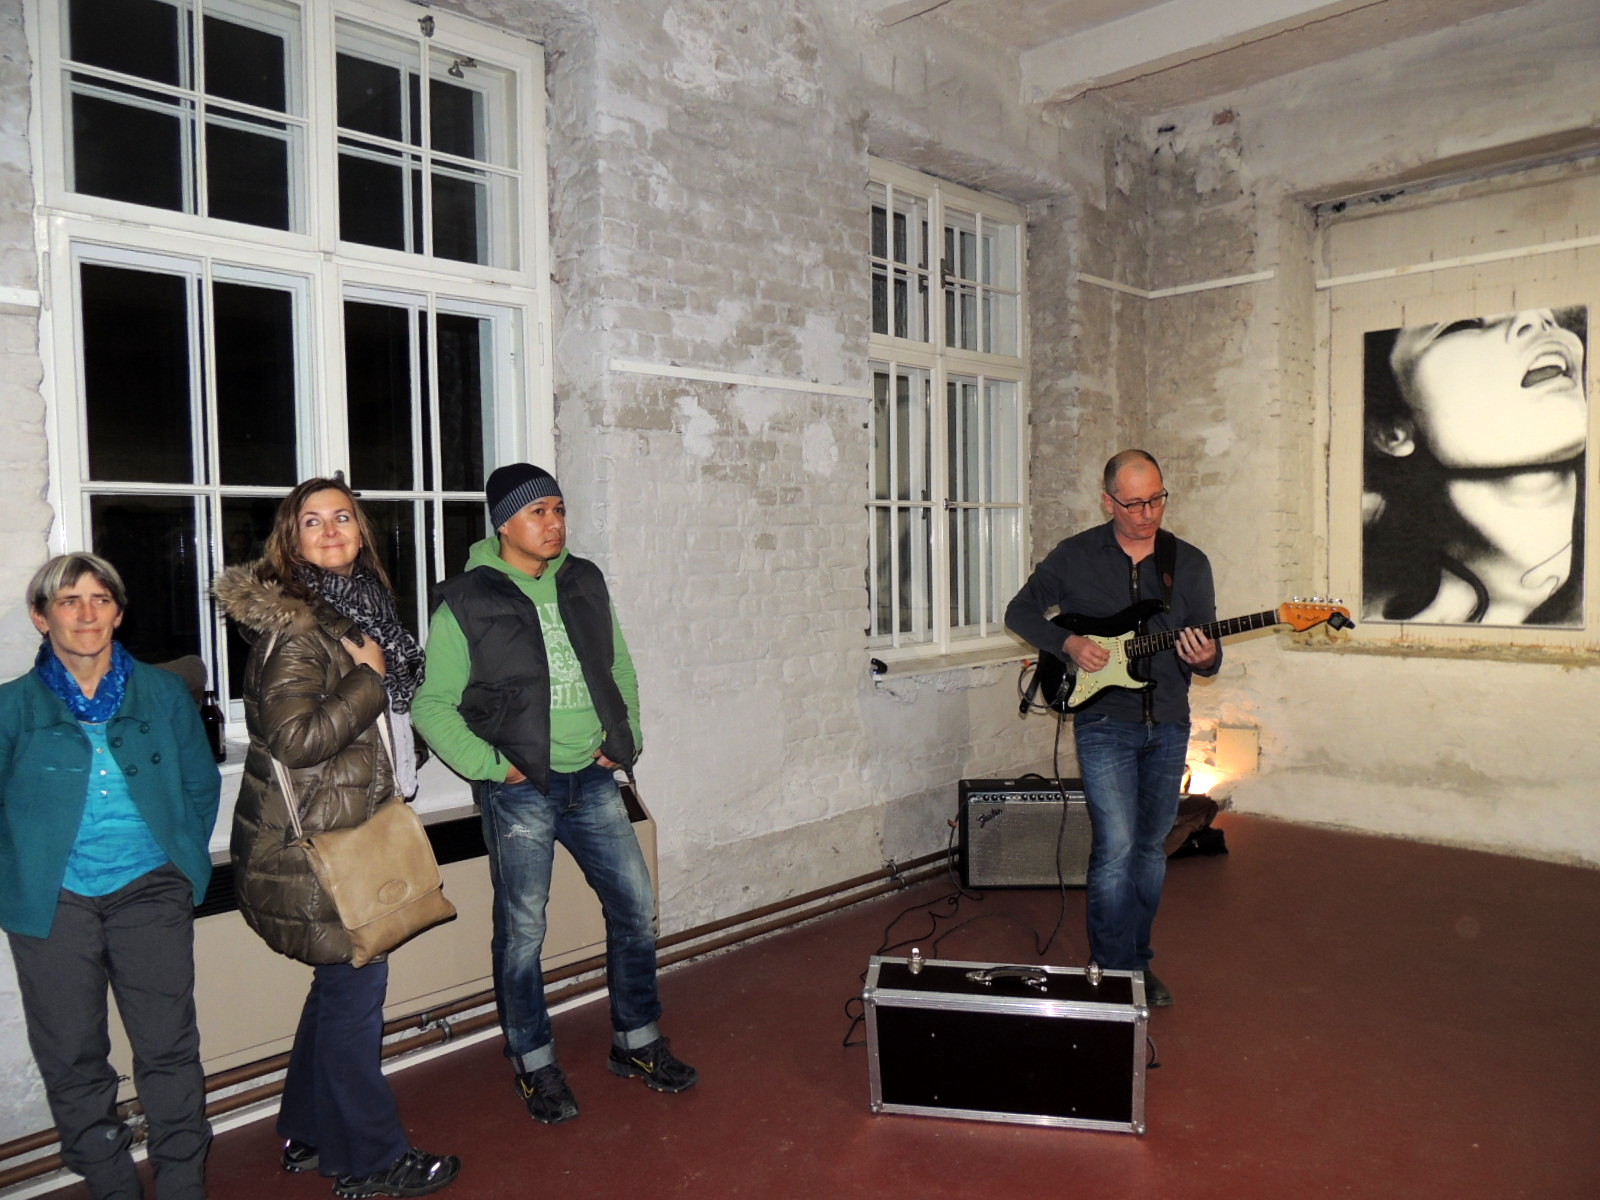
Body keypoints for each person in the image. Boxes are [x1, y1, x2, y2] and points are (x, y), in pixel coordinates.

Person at [412, 463, 696, 1125]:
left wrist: (625, 737)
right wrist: (492, 767)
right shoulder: (467, 600)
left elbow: (618, 666)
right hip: (521, 791)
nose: (554, 523)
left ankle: (637, 1041)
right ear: (503, 523)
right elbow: (431, 705)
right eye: (538, 512)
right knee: (523, 932)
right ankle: (534, 1063)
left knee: (636, 907)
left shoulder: (584, 580)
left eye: (559, 509)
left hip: (593, 778)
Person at [213, 477, 459, 1200]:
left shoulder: (358, 613)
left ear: (360, 532)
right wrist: (370, 680)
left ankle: (308, 1127)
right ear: (290, 541)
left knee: (337, 991)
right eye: (312, 521)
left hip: (350, 829)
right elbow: (295, 739)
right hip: (322, 849)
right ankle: (371, 1160)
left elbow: (382, 725)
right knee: (356, 1002)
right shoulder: (300, 629)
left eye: (342, 518)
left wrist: (388, 704)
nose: (329, 530)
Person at [0, 553, 220, 1199]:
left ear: (118, 614)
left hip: (149, 887)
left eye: (100, 599)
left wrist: (179, 864)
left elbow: (199, 786)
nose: (86, 613)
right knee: (71, 1054)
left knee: (168, 1046)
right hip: (53, 901)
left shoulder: (163, 694)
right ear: (42, 617)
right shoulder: (11, 707)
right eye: (69, 601)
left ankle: (182, 1181)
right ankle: (111, 1183)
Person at [1005, 450, 1219, 1008]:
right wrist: (1068, 643)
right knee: (1117, 847)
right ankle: (1112, 968)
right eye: (1134, 504)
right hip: (1104, 721)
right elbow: (1019, 613)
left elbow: (1207, 653)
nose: (1148, 514)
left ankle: (1137, 962)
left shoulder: (1189, 563)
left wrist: (1206, 658)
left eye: (1157, 500)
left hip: (1168, 721)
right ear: (1108, 502)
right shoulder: (1074, 556)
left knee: (1150, 849)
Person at [1363, 306, 1588, 625]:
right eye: (1461, 324)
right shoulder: (1379, 606)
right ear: (1391, 433)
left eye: (1548, 319)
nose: (1535, 321)